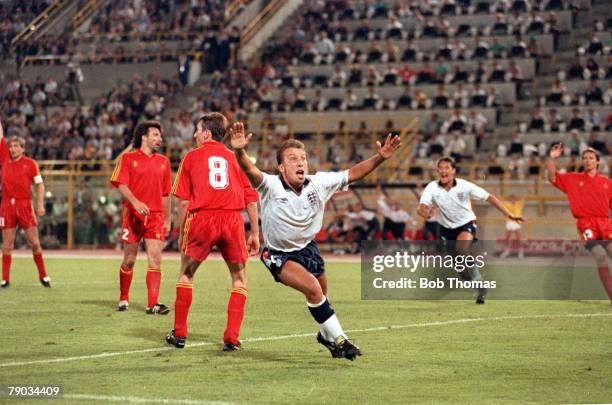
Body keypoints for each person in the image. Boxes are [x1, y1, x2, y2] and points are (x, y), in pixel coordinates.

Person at [232, 121, 401, 360]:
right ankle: (341, 340)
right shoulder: (270, 185)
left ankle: (325, 336)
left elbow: (353, 173)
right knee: (313, 289)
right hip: (279, 254)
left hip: (308, 248)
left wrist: (380, 157)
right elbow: (250, 171)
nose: (300, 162)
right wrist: (239, 151)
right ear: (281, 167)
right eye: (292, 159)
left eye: (303, 158)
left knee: (321, 295)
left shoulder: (319, 183)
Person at [165, 113, 260, 351]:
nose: (195, 135)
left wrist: (181, 231)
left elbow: (183, 202)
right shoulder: (237, 157)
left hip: (202, 218)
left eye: (197, 130)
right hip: (232, 219)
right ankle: (231, 337)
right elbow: (251, 199)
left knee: (186, 274)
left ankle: (179, 334)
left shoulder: (191, 157)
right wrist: (255, 233)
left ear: (206, 133)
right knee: (239, 278)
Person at [417, 157, 524, 304]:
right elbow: (421, 207)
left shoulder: (465, 186)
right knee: (462, 271)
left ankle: (475, 272)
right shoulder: (432, 187)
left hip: (466, 224)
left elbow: (489, 197)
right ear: (437, 171)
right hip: (446, 230)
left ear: (453, 171)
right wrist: (426, 213)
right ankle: (480, 286)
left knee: (462, 250)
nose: (443, 170)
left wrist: (508, 214)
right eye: (440, 168)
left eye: (447, 167)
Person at [109, 121, 172, 314]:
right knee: (129, 260)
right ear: (143, 137)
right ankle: (123, 298)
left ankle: (152, 304)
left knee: (155, 259)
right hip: (133, 215)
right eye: (155, 135)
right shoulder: (128, 158)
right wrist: (136, 203)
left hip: (155, 217)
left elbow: (165, 194)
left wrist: (168, 219)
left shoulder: (164, 162)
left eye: (160, 136)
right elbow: (120, 184)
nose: (159, 139)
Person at [546, 145, 612, 303]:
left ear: (597, 162)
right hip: (586, 225)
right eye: (585, 158)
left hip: (605, 224)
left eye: (591, 158)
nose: (587, 161)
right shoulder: (573, 179)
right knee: (601, 256)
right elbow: (552, 177)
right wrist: (552, 158)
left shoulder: (607, 183)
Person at [0, 118, 50, 288]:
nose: (12, 149)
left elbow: (40, 184)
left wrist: (40, 204)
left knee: (34, 243)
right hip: (6, 206)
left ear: (23, 148)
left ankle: (43, 275)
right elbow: (0, 137)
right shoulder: (4, 159)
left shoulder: (30, 164)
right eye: (11, 146)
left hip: (24, 205)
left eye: (16, 146)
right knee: (7, 244)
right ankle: (5, 279)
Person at [500, 194, 525, 258]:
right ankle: (507, 251)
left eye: (514, 198)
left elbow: (525, 197)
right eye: (511, 198)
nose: (512, 200)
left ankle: (520, 252)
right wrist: (495, 191)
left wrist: (529, 191)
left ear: (515, 199)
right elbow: (500, 199)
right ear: (510, 199)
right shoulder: (507, 204)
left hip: (517, 222)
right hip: (509, 222)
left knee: (519, 238)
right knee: (507, 238)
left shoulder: (519, 204)